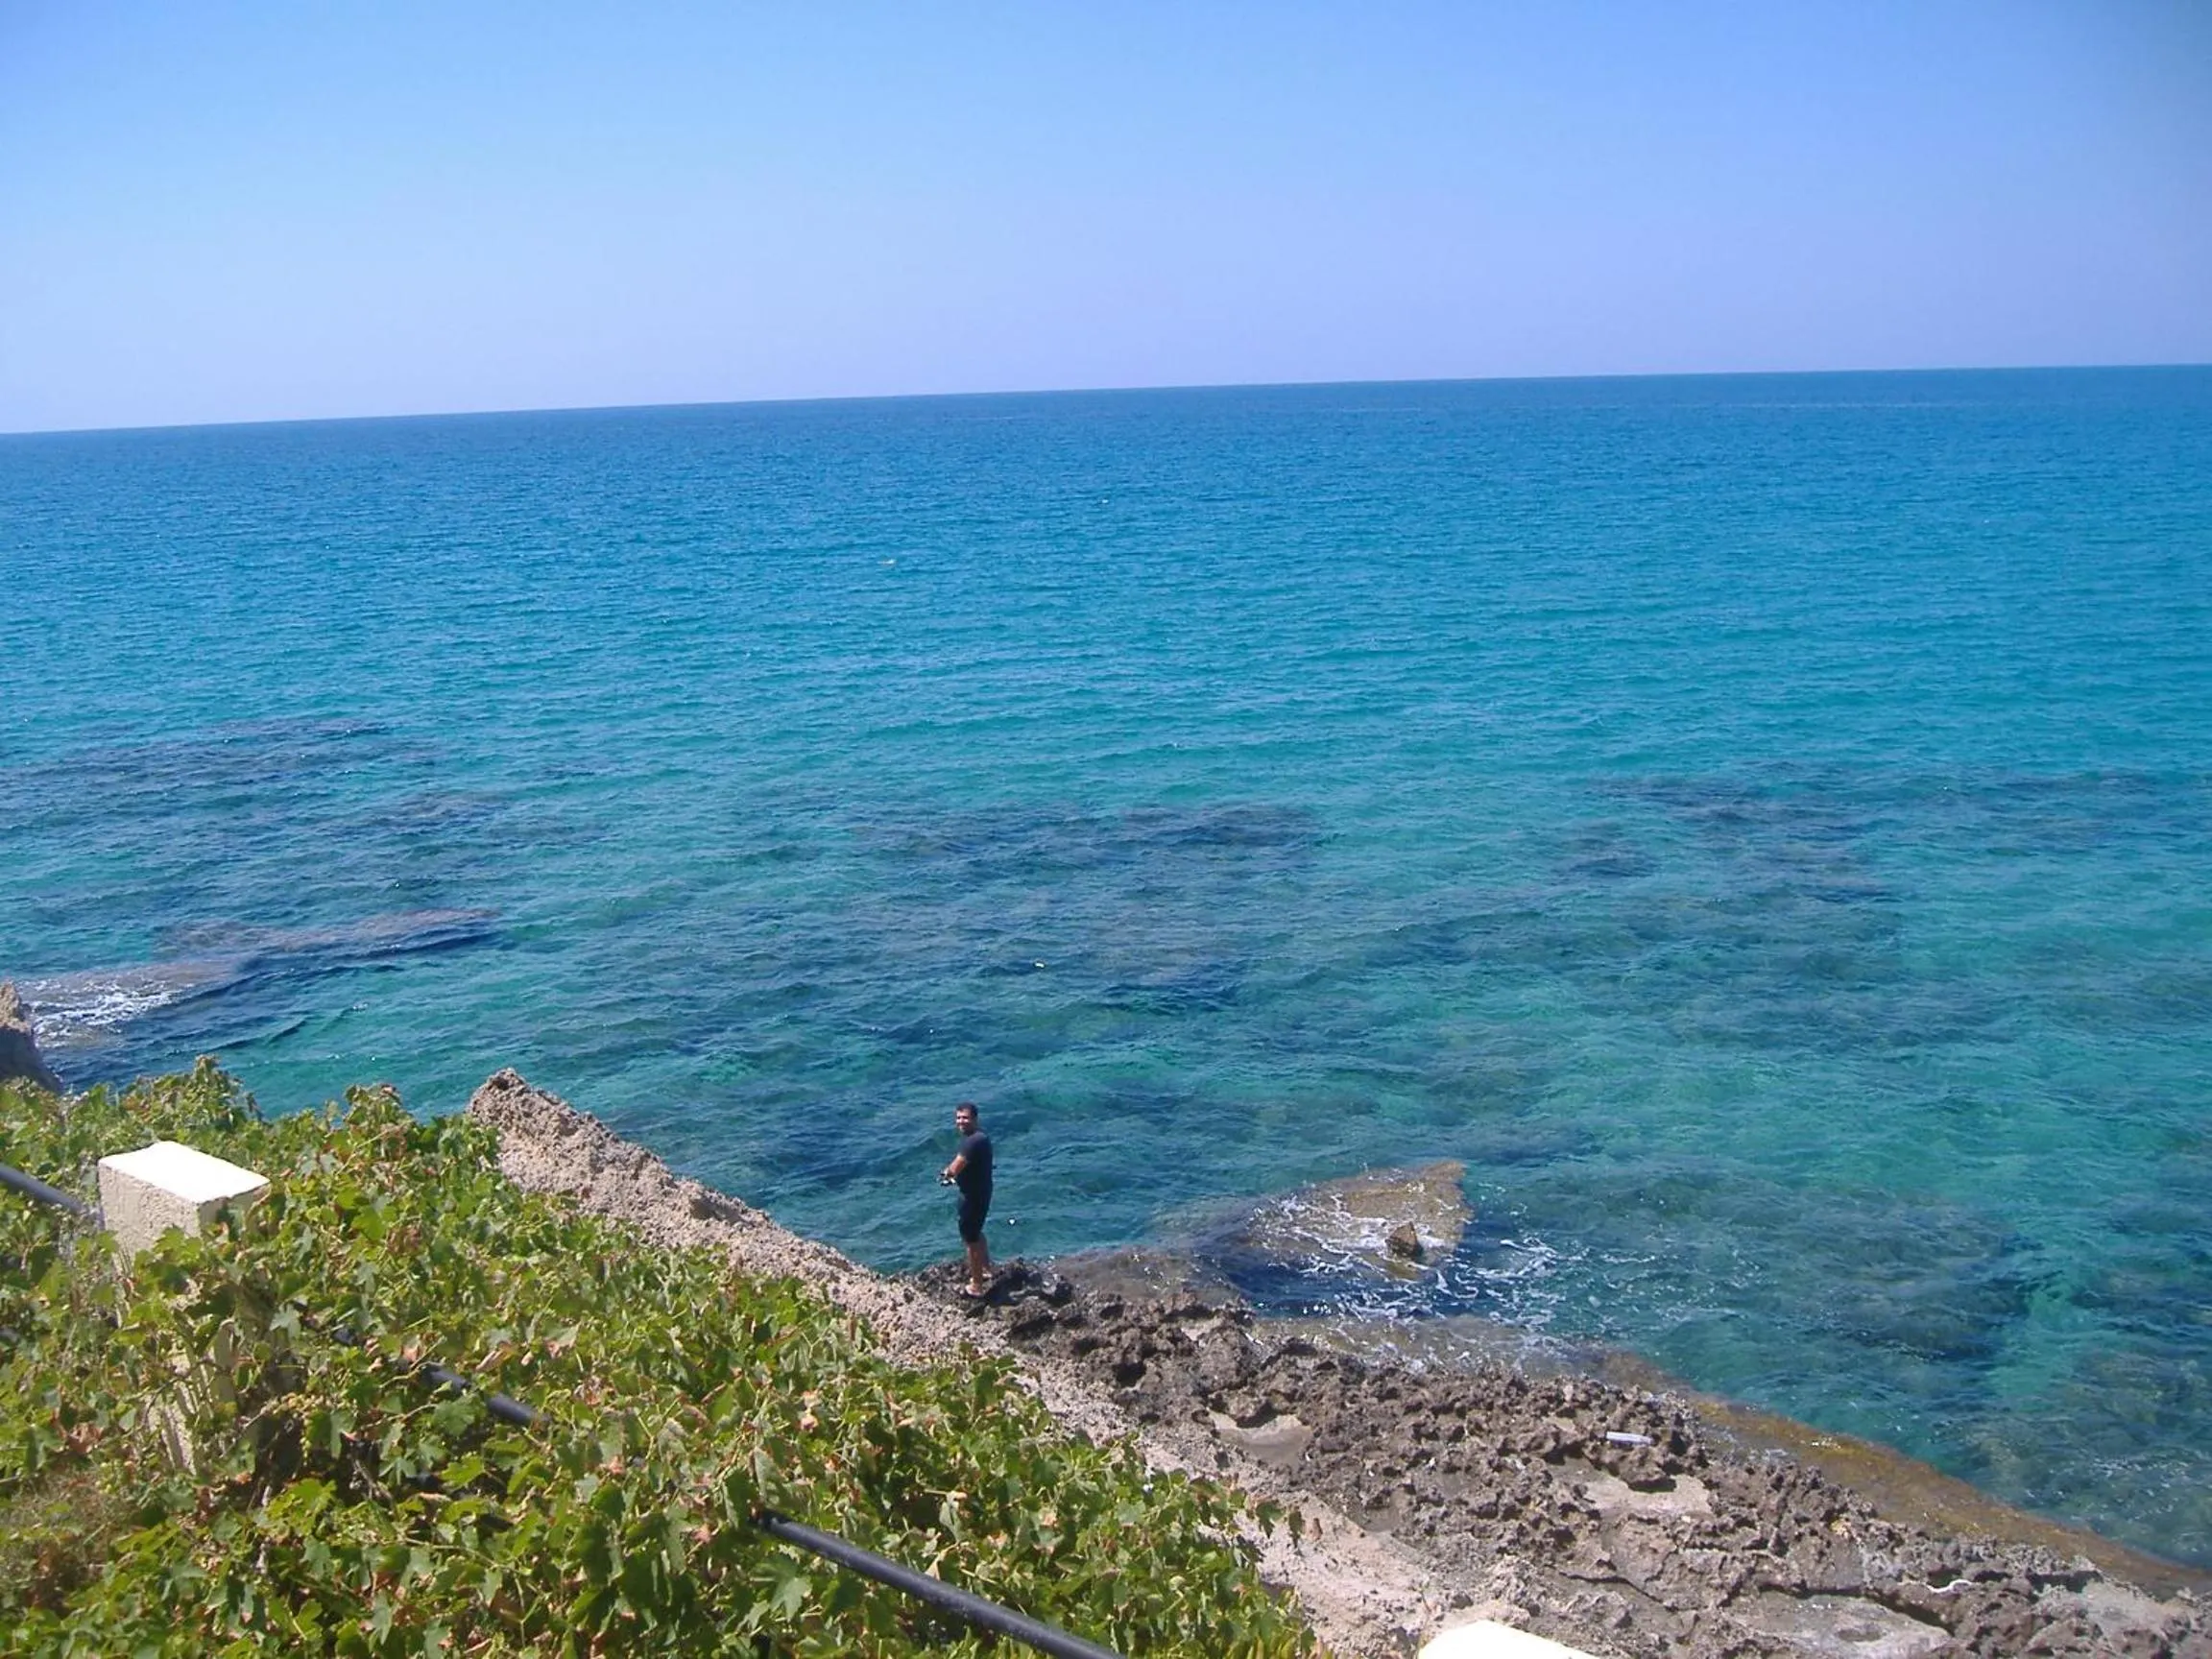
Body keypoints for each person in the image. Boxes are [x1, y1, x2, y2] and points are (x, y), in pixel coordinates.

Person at [939, 1100, 994, 1297]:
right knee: (977, 1232)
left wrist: (946, 1174)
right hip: (983, 1192)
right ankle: (987, 1269)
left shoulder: (971, 1142)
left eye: (965, 1118)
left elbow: (954, 1168)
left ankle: (976, 1285)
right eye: (958, 1117)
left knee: (970, 1238)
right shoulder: (982, 1138)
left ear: (975, 1119)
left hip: (971, 1197)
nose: (961, 1121)